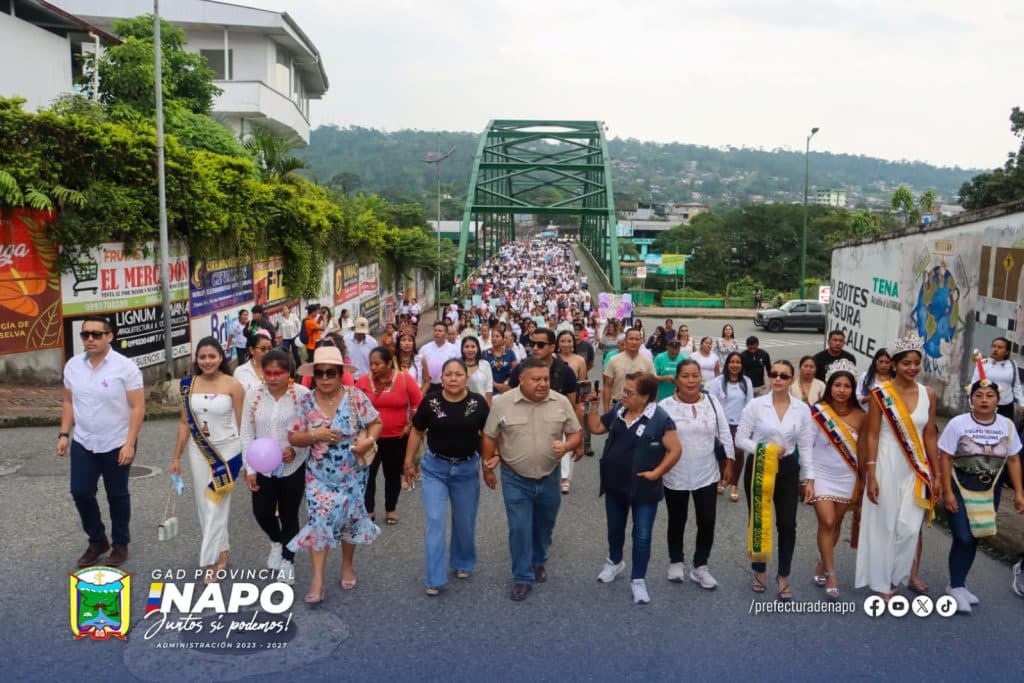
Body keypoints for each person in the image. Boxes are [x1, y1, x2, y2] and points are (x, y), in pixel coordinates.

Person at [481, 358, 583, 601]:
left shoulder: (560, 402)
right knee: (519, 528)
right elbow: (489, 436)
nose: (542, 384)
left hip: (550, 476)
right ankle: (522, 576)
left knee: (544, 524)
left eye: (546, 379)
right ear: (521, 380)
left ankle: (539, 560)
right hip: (515, 477)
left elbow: (576, 432)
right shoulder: (502, 403)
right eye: (536, 379)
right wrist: (487, 466)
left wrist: (568, 445)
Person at [287, 345, 381, 603]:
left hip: (353, 474)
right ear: (313, 376)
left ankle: (347, 564)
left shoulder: (355, 398)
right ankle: (318, 579)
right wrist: (315, 434)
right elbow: (293, 437)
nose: (326, 378)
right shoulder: (305, 402)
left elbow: (376, 422)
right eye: (320, 373)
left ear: (341, 374)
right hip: (319, 476)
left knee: (350, 520)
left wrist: (368, 441)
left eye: (331, 373)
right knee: (319, 523)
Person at [855, 334, 938, 600]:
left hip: (915, 467)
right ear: (894, 365)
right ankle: (882, 583)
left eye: (916, 363)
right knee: (884, 524)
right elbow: (872, 434)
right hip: (885, 461)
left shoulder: (929, 394)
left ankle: (896, 574)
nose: (912, 368)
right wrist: (870, 471)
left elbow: (930, 436)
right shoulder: (881, 394)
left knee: (909, 527)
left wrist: (935, 474)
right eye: (906, 363)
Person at [59, 315, 144, 568]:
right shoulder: (73, 366)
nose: (90, 339)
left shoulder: (125, 367)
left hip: (117, 441)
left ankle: (120, 544)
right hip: (84, 441)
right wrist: (64, 434)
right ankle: (97, 541)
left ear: (110, 336)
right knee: (80, 491)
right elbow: (68, 401)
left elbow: (138, 408)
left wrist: (129, 444)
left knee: (117, 494)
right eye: (86, 334)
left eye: (97, 334)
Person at [588, 372, 681, 604]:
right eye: (624, 390)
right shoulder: (620, 410)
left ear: (646, 397)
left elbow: (675, 450)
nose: (623, 395)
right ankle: (615, 561)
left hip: (644, 489)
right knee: (614, 530)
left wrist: (657, 473)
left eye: (629, 392)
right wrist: (592, 405)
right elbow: (597, 427)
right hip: (615, 485)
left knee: (642, 536)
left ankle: (638, 579)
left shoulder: (660, 419)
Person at [404, 359, 490, 596]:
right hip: (435, 470)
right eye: (448, 374)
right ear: (441, 378)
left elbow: (487, 435)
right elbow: (417, 430)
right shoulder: (430, 403)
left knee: (465, 520)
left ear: (466, 378)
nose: (453, 379)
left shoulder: (478, 404)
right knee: (435, 521)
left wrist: (488, 463)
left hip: (466, 469)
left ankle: (462, 562)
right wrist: (408, 462)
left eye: (458, 374)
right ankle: (434, 577)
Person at [939, 378, 1024, 612]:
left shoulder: (1006, 425)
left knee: (976, 535)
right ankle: (955, 586)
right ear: (971, 399)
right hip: (959, 485)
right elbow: (944, 457)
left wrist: (1019, 492)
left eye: (989, 395)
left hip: (990, 489)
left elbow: (1014, 459)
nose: (984, 400)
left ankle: (959, 584)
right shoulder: (958, 423)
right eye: (979, 395)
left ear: (998, 400)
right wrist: (947, 492)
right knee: (963, 537)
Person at [735, 360, 815, 601]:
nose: (778, 379)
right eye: (774, 374)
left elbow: (806, 446)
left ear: (792, 379)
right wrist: (764, 449)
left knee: (787, 523)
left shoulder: (801, 409)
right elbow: (740, 438)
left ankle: (783, 574)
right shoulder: (756, 405)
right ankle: (759, 571)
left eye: (784, 375)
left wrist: (808, 478)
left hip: (788, 467)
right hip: (760, 465)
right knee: (759, 519)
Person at [169, 337, 245, 582]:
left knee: (217, 504)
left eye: (212, 356)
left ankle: (211, 561)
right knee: (204, 505)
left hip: (228, 452)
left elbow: (244, 426)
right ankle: (222, 550)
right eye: (202, 357)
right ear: (197, 360)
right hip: (198, 452)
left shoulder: (233, 385)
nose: (207, 361)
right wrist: (176, 457)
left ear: (221, 357)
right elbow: (183, 423)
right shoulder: (187, 385)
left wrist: (247, 461)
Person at [658, 360, 732, 591]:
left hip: (707, 473)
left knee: (707, 521)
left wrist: (728, 462)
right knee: (677, 519)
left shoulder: (711, 401)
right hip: (676, 473)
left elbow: (724, 432)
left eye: (695, 376)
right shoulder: (665, 406)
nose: (691, 381)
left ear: (701, 378)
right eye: (686, 376)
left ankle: (700, 566)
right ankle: (676, 561)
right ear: (677, 380)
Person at [240, 349, 309, 585]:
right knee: (262, 512)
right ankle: (277, 542)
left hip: (292, 465)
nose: (272, 377)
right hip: (262, 466)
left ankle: (288, 561)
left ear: (288, 373)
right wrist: (249, 469)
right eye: (268, 372)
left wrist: (296, 450)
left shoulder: (301, 395)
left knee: (290, 515)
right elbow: (247, 432)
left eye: (278, 372)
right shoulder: (254, 395)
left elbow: (310, 431)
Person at [807, 359, 864, 600]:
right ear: (829, 386)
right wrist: (807, 479)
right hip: (821, 473)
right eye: (837, 385)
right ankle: (831, 573)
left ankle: (822, 559)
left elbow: (864, 450)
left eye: (847, 386)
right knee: (827, 521)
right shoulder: (818, 412)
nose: (841, 390)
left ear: (853, 390)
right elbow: (806, 447)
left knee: (836, 523)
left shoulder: (862, 416)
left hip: (847, 476)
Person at [355, 346, 422, 526]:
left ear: (388, 363)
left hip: (397, 437)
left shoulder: (404, 379)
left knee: (392, 475)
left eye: (378, 364)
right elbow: (353, 406)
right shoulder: (362, 381)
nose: (373, 367)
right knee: (368, 475)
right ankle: (368, 511)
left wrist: (410, 425)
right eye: (371, 364)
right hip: (370, 439)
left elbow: (418, 403)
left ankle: (390, 510)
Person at [710, 351, 753, 501]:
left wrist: (751, 427)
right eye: (732, 362)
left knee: (738, 454)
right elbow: (712, 403)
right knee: (723, 454)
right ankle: (723, 478)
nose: (735, 365)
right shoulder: (718, 381)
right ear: (727, 364)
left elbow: (750, 405)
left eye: (738, 362)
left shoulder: (746, 381)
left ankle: (734, 483)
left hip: (740, 425)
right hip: (722, 424)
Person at [603, 328, 656, 413]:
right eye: (631, 339)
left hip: (641, 408)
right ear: (625, 341)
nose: (634, 342)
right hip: (618, 405)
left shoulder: (648, 362)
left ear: (641, 341)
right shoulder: (614, 360)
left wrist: (652, 409)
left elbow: (653, 387)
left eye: (637, 339)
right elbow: (607, 386)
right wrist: (606, 410)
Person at [971, 337, 1024, 421]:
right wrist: (972, 403)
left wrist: (1022, 403)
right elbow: (974, 384)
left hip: (1006, 406)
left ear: (1006, 351)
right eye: (994, 346)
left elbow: (1016, 386)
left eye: (1000, 347)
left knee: (1006, 432)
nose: (995, 349)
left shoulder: (1012, 365)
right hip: (985, 405)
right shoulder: (983, 363)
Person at [420, 321, 460, 394]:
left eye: (440, 331)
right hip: (428, 385)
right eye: (435, 330)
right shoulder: (425, 348)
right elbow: (419, 367)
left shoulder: (454, 350)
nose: (437, 333)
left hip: (447, 385)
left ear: (446, 334)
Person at [483, 328, 518, 395]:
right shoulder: (485, 354)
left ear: (502, 339)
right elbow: (483, 373)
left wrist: (506, 383)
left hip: (507, 388)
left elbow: (515, 371)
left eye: (497, 336)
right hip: (490, 389)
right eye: (493, 336)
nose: (494, 338)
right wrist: (496, 385)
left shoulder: (510, 353)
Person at [461, 335, 494, 405]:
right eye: (466, 347)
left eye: (473, 347)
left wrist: (488, 406)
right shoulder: (458, 365)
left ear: (478, 348)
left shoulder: (485, 364)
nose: (470, 349)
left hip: (482, 405)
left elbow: (489, 388)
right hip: (461, 405)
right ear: (462, 349)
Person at [278, 306, 302, 371]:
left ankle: (299, 366)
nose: (284, 310)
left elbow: (299, 325)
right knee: (285, 354)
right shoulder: (280, 319)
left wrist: (298, 334)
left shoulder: (293, 316)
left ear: (288, 310)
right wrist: (280, 338)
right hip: (285, 339)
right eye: (283, 309)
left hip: (294, 336)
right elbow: (280, 329)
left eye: (285, 308)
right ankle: (288, 368)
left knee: (295, 353)